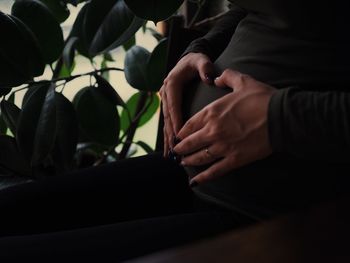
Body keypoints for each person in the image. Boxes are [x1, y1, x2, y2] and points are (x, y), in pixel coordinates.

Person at [0, 0, 349, 261]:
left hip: (271, 213)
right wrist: (201, 49)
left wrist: (279, 118)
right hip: (187, 168)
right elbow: (261, 11)